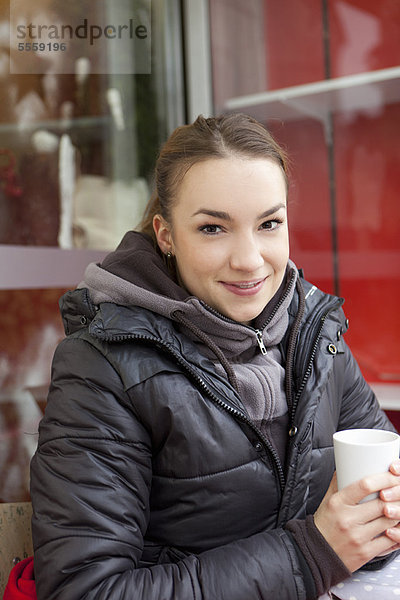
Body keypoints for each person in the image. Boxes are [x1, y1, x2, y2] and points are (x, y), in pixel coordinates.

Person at [30, 113, 400, 600]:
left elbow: (370, 522)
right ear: (166, 234)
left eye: (269, 223)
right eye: (212, 229)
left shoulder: (316, 334)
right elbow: (85, 590)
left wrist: (382, 518)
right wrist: (313, 552)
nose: (249, 259)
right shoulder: (103, 367)